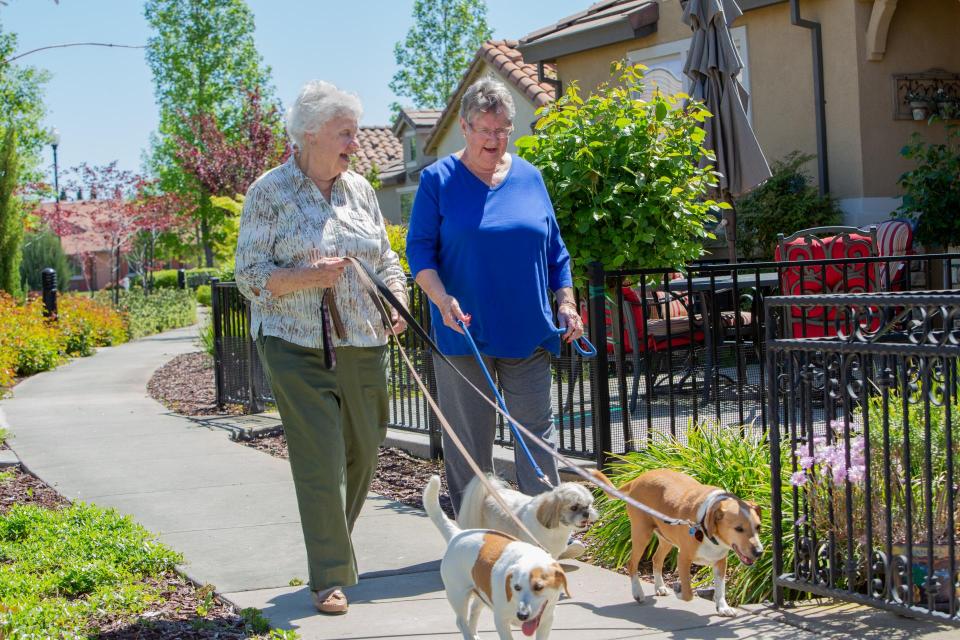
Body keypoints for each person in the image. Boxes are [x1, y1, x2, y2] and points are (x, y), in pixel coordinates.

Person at [235, 80, 407, 616]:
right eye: (344, 133)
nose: (354, 144)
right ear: (310, 135)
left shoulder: (359, 190)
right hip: (295, 343)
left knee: (364, 449)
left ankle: (332, 544)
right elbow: (248, 275)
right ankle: (329, 575)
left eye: (354, 133)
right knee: (321, 458)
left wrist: (398, 300)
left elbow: (385, 257)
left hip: (362, 339)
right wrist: (304, 276)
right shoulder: (269, 192)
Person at [406, 76, 583, 516]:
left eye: (502, 129)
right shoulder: (438, 180)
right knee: (469, 448)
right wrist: (440, 298)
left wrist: (566, 302)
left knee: (536, 438)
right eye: (484, 130)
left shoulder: (529, 177)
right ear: (464, 128)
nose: (494, 139)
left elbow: (555, 250)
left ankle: (547, 533)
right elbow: (419, 250)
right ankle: (477, 540)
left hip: (528, 332)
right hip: (463, 334)